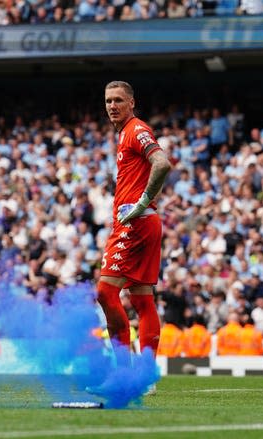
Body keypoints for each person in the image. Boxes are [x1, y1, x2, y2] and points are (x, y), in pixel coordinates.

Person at [95, 80, 172, 366]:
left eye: (118, 100)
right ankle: (145, 374)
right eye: (108, 101)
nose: (112, 106)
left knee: (105, 291)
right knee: (141, 298)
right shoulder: (127, 133)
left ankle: (124, 371)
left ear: (131, 103)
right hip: (146, 222)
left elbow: (162, 163)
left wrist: (141, 203)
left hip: (136, 223)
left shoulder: (135, 130)